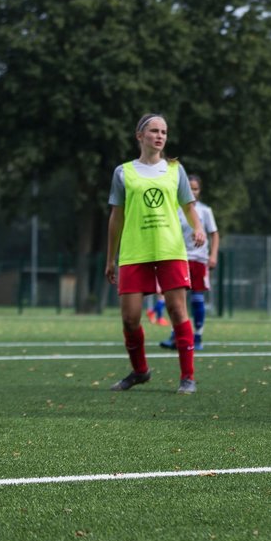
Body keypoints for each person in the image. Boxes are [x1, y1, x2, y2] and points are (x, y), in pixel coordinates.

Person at [105, 113, 205, 394]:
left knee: (176, 310)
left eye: (164, 131)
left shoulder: (175, 170)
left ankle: (188, 377)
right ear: (140, 136)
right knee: (130, 318)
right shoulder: (123, 172)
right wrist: (110, 258)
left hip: (170, 249)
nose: (160, 136)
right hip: (135, 252)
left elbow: (189, 206)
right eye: (153, 131)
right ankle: (140, 371)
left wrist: (197, 228)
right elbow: (116, 217)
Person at [161, 173, 219, 351]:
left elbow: (214, 234)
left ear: (200, 191)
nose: (192, 192)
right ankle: (176, 336)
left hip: (199, 260)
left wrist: (213, 255)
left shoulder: (204, 211)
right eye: (189, 188)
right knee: (177, 301)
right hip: (180, 259)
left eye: (196, 189)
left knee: (197, 299)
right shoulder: (175, 210)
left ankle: (198, 336)